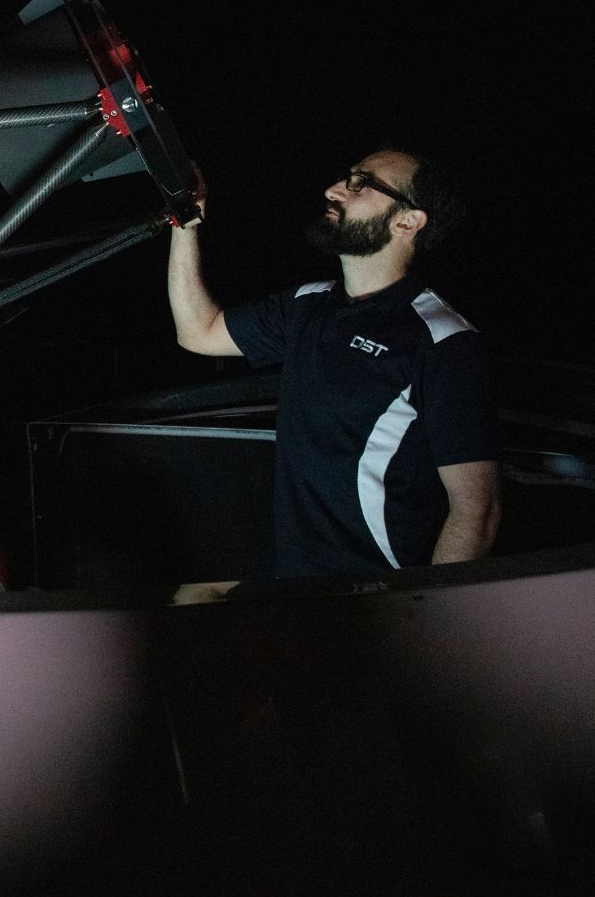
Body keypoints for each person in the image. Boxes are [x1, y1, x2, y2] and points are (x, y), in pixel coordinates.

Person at [167, 148, 500, 578]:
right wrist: (186, 223)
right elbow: (198, 332)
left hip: (381, 601)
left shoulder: (442, 341)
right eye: (347, 178)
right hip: (297, 590)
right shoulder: (308, 305)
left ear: (407, 221)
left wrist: (428, 609)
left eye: (361, 184)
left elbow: (476, 509)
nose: (334, 190)